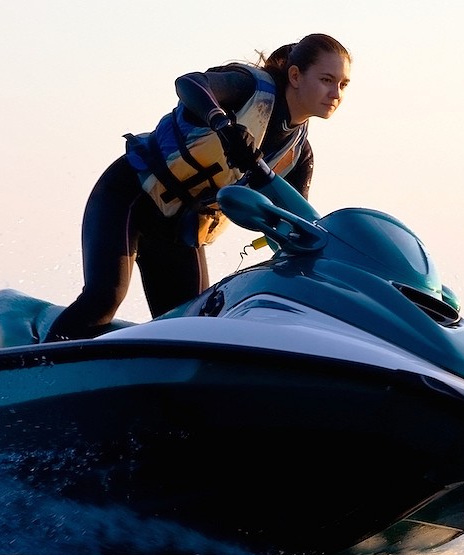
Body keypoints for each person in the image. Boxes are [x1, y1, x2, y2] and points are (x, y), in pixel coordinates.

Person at [42, 33, 352, 341]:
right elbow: (188, 83)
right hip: (130, 195)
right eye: (327, 79)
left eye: (342, 84)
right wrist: (223, 125)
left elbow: (296, 226)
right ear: (295, 75)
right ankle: (33, 370)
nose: (335, 93)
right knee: (103, 299)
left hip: (179, 231)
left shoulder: (298, 154)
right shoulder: (250, 89)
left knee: (192, 331)